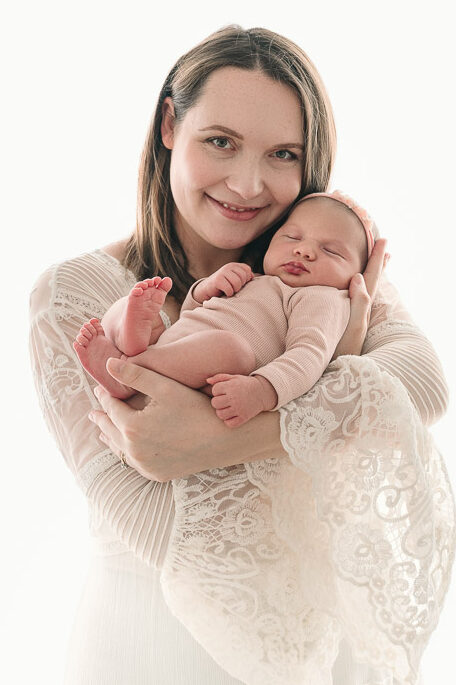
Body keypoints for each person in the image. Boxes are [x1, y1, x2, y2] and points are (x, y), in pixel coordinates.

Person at [28, 25, 454, 685]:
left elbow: (426, 387)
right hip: (152, 658)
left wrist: (211, 438)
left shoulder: (320, 259)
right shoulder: (78, 293)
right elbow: (153, 520)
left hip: (330, 663)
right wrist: (336, 400)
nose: (249, 183)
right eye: (220, 141)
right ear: (170, 124)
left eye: (283, 153)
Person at [74, 191, 375, 429]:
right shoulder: (258, 279)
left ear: (356, 275)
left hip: (217, 374)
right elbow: (195, 312)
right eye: (292, 237)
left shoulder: (322, 298)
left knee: (232, 350)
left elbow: (309, 355)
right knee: (126, 305)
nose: (304, 250)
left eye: (331, 251)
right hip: (178, 346)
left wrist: (262, 390)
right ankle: (131, 344)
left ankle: (128, 369)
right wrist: (206, 289)